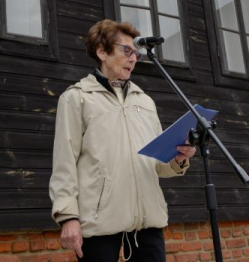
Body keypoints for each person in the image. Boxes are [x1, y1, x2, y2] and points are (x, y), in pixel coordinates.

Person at [49, 19, 197, 261]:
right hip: (99, 224)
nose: (134, 58)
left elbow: (157, 166)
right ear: (102, 52)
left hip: (147, 223)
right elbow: (64, 164)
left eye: (136, 53)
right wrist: (68, 217)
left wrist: (179, 158)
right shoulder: (76, 98)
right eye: (126, 50)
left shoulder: (145, 102)